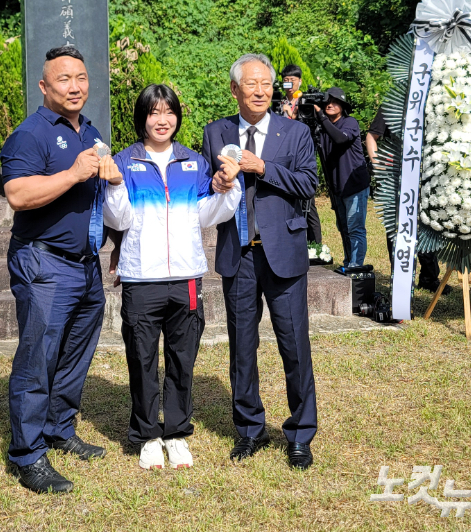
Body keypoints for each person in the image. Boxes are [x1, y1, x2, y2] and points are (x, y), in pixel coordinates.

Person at [104, 84, 241, 470]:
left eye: (168, 112)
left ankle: (177, 433)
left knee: (182, 358)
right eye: (153, 113)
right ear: (142, 118)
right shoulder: (124, 161)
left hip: (186, 279)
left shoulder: (194, 163)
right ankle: (147, 436)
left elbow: (208, 213)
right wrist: (114, 185)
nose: (162, 120)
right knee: (142, 359)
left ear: (177, 117)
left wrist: (229, 188)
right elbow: (120, 219)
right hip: (140, 278)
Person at [0, 46, 115, 494]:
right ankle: (28, 456)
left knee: (73, 357)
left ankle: (59, 431)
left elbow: (99, 195)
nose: (75, 86)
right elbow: (18, 195)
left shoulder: (90, 130)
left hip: (85, 263)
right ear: (44, 86)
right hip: (44, 260)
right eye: (64, 79)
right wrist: (72, 174)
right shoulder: (30, 134)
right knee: (38, 359)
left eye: (81, 78)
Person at [204, 53, 319, 469]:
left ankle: (300, 434)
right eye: (250, 84)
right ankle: (249, 430)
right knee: (242, 347)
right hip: (239, 255)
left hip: (284, 255)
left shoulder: (295, 132)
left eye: (266, 84)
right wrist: (216, 182)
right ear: (234, 89)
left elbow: (309, 183)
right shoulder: (216, 132)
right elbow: (206, 186)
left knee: (294, 346)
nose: (260, 91)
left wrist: (263, 167)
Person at [366, 108, 452, 293]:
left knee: (428, 226)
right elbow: (372, 136)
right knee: (397, 228)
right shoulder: (392, 104)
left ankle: (429, 278)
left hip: (427, 178)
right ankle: (400, 277)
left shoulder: (433, 105)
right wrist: (378, 166)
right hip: (395, 179)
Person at [315, 87, 370, 268]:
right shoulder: (322, 128)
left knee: (355, 228)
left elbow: (340, 139)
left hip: (354, 185)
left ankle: (355, 267)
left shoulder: (350, 122)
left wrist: (322, 118)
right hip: (337, 186)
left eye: (335, 101)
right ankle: (348, 263)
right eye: (326, 102)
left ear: (342, 105)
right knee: (344, 228)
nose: (330, 104)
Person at [280, 64, 322, 245]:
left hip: (302, 155)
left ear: (300, 81)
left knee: (307, 201)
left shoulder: (306, 102)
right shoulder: (279, 102)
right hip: (282, 155)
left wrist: (293, 116)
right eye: (286, 81)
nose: (289, 84)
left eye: (292, 81)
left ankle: (315, 245)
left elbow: (312, 127)